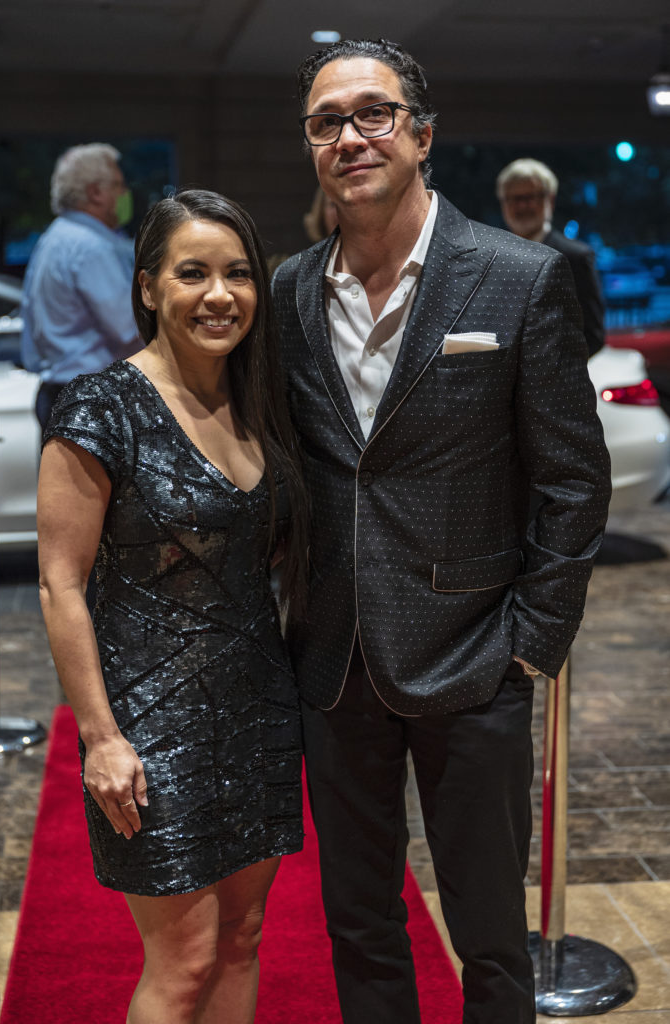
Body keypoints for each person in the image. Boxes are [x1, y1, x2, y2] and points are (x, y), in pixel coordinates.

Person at [271, 38, 611, 1024]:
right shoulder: (290, 291)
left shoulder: (514, 278)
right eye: (326, 121)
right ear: (311, 147)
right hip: (334, 663)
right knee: (359, 922)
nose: (349, 136)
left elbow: (571, 484)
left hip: (475, 661)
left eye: (371, 113)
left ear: (421, 134)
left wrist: (528, 645)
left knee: (490, 937)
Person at [37, 189, 308, 1024]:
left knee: (243, 936)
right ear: (150, 287)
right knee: (183, 960)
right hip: (150, 726)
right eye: (193, 273)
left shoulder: (263, 405)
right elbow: (62, 584)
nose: (219, 294)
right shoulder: (98, 408)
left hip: (257, 706)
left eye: (237, 274)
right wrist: (103, 739)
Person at [21, 143, 141, 431]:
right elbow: (128, 328)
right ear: (96, 192)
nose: (124, 194)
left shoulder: (55, 236)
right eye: (118, 185)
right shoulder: (90, 246)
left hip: (59, 390)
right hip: (89, 398)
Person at [497, 157, 606, 358]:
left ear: (551, 200)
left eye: (531, 197)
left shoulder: (576, 258)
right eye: (514, 199)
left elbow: (593, 335)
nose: (522, 206)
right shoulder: (492, 257)